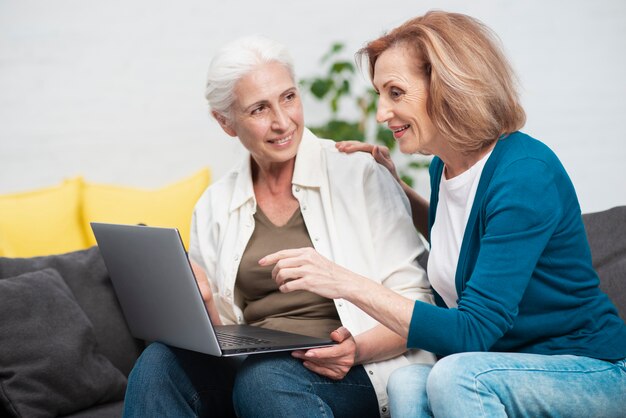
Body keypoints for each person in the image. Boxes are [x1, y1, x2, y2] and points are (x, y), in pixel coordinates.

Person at [261, 11, 626, 418]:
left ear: (448, 87)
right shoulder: (446, 166)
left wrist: (342, 281)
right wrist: (396, 190)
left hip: (591, 370)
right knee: (407, 381)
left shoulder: (524, 175)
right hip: (504, 366)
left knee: (454, 376)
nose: (382, 113)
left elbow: (472, 333)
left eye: (395, 93)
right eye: (381, 94)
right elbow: (465, 237)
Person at [122, 35, 435, 418]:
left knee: (266, 378)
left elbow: (418, 305)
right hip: (253, 371)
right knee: (159, 363)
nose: (282, 121)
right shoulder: (215, 205)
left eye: (289, 97)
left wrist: (356, 350)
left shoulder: (359, 175)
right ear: (225, 122)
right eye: (259, 109)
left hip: (354, 367)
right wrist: (201, 304)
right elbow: (224, 335)